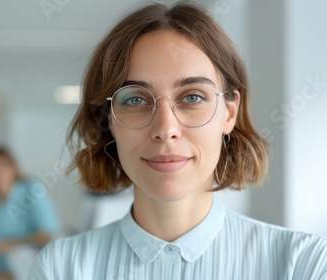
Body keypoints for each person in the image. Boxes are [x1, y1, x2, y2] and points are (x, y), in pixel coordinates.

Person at [29, 2, 327, 279]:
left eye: (193, 97)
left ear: (229, 113)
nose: (165, 128)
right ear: (109, 119)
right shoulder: (61, 268)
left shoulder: (303, 264)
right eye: (135, 100)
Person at [0, 146, 59, 280]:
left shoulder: (32, 192)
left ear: (13, 168)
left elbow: (46, 236)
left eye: (1, 167)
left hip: (19, 272)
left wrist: (0, 247)